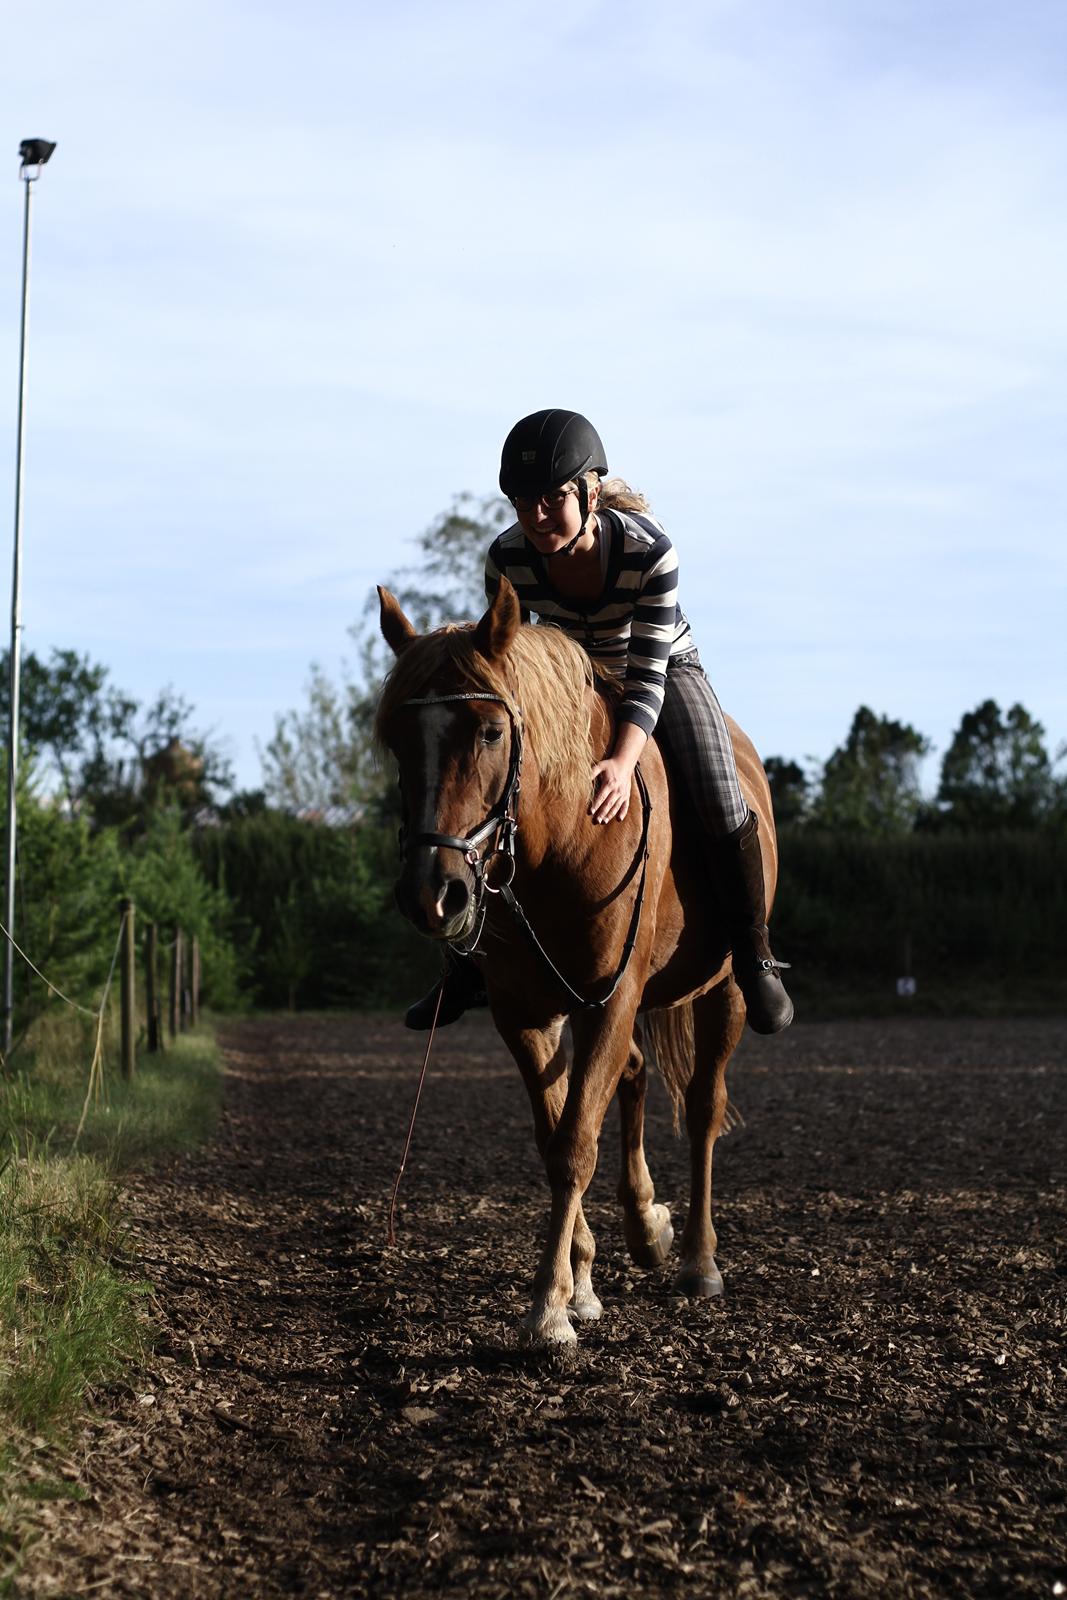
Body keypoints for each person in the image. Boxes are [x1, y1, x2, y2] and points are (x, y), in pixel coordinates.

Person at [405, 408, 793, 1036]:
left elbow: (646, 677)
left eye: (551, 500)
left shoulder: (651, 552)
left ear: (588, 493)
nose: (534, 517)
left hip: (661, 665)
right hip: (566, 676)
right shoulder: (506, 558)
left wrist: (620, 759)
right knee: (489, 792)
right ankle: (470, 965)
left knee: (721, 794)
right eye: (520, 502)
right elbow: (510, 653)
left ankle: (754, 955)